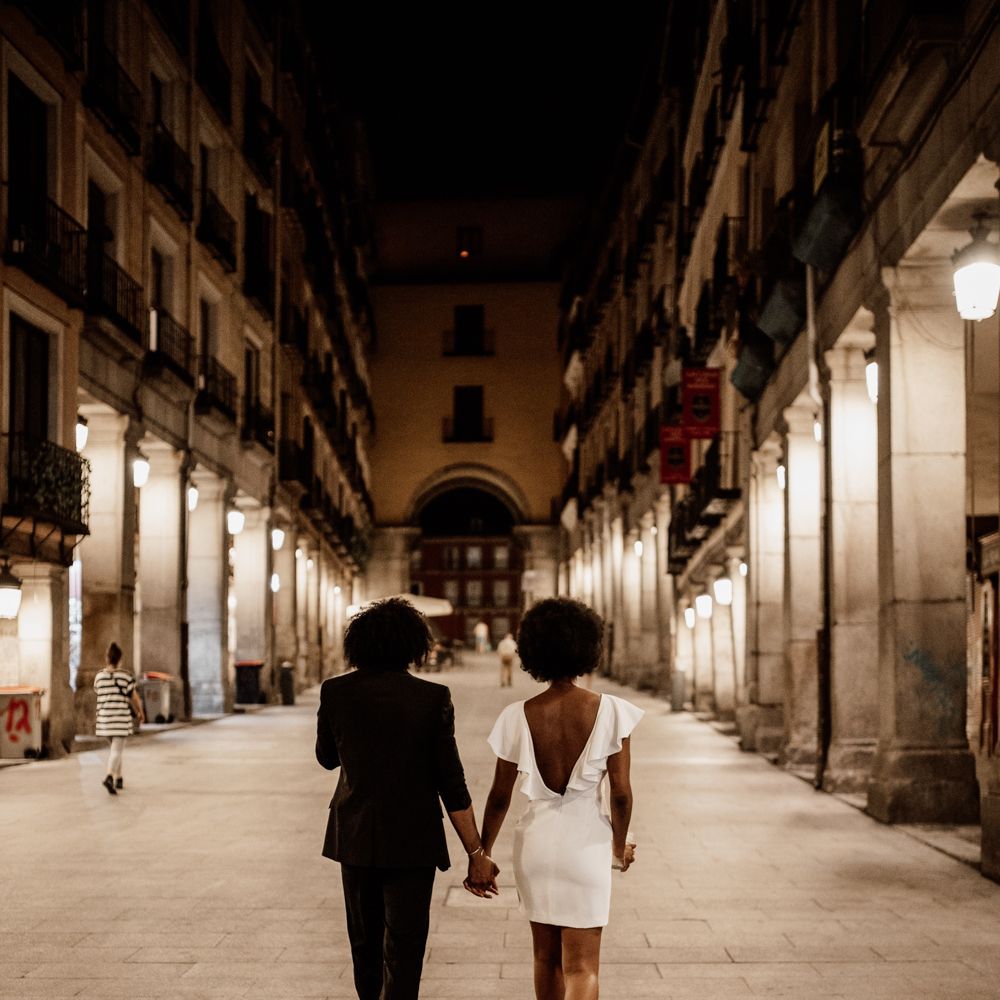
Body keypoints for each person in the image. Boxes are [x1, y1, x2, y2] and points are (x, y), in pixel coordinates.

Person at [316, 597, 498, 1000]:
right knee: (406, 945)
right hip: (414, 840)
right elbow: (451, 782)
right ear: (413, 645)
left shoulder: (336, 692)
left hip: (356, 833)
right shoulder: (433, 698)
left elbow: (327, 759)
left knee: (364, 944)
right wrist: (476, 852)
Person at [475, 598, 642, 1000]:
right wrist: (618, 846)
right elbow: (620, 793)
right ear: (588, 647)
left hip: (535, 843)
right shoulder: (613, 712)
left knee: (545, 960)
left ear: (533, 652)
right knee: (583, 968)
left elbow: (499, 796)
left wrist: (482, 851)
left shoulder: (517, 715)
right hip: (586, 845)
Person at [93, 641, 144, 795]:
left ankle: (118, 778)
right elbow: (134, 697)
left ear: (107, 658)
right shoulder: (125, 677)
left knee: (115, 749)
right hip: (120, 719)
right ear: (119, 659)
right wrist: (140, 712)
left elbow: (98, 692)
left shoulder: (99, 677)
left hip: (104, 720)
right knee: (117, 750)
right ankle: (109, 776)